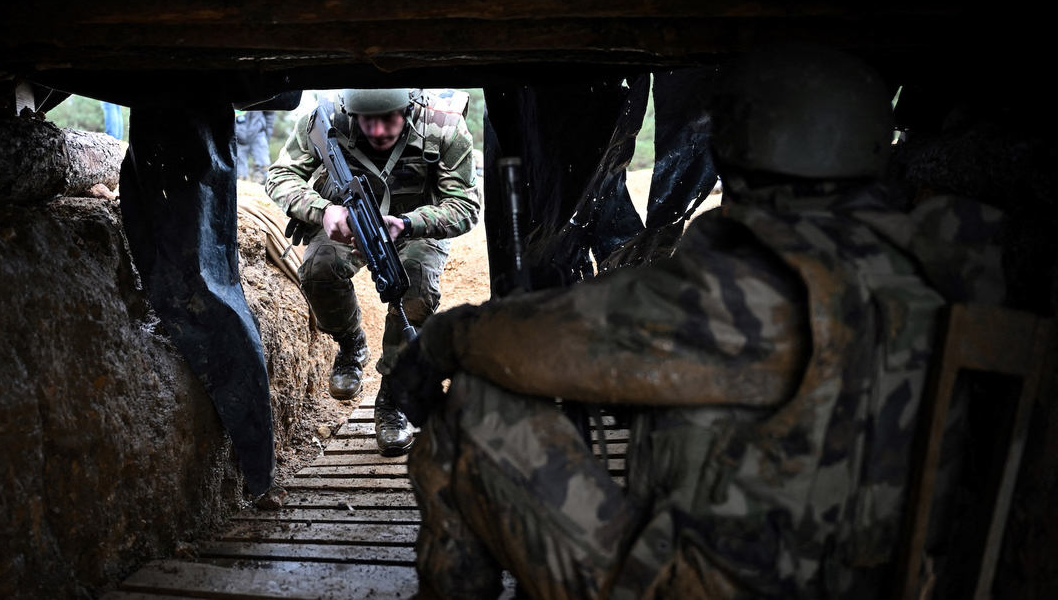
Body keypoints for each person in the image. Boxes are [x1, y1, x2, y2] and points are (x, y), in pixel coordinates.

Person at [387, 45, 1007, 599]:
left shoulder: (758, 281)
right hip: (874, 575)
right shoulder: (923, 269)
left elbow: (539, 342)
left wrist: (441, 342)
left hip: (716, 583)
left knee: (475, 408)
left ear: (738, 147)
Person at [266, 88, 480, 455]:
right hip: (347, 220)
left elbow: (465, 206)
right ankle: (351, 345)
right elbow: (280, 175)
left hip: (414, 226)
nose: (379, 131)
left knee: (415, 290)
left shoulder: (444, 127)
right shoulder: (327, 119)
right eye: (368, 121)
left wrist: (409, 223)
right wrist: (322, 211)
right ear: (351, 113)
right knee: (319, 270)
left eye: (390, 119)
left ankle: (392, 401)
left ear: (409, 109)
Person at [237, 109, 274, 182]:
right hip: (238, 137)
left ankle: (262, 186)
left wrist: (267, 135)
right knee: (239, 172)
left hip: (258, 134)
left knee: (263, 166)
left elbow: (270, 114)